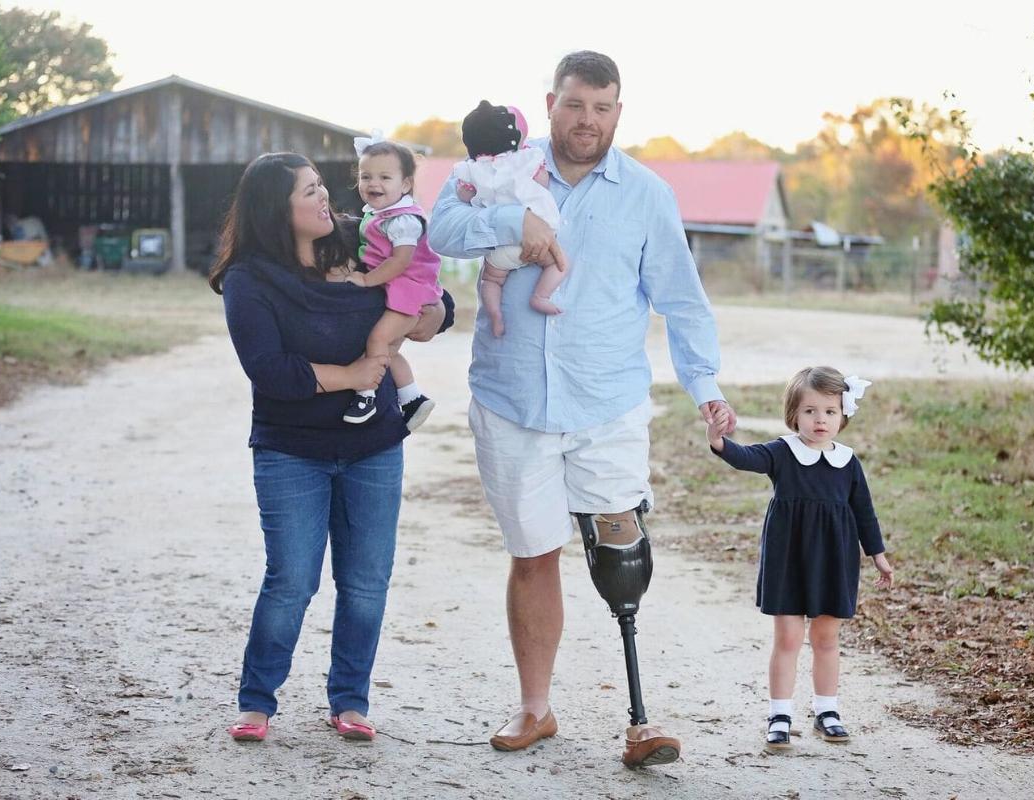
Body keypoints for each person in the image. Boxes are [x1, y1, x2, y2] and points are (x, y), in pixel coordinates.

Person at [429, 50, 736, 768]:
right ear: (550, 104)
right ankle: (535, 707)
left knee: (620, 545)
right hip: (512, 400)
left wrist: (708, 389)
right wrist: (511, 218)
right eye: (574, 105)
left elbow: (682, 301)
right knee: (534, 555)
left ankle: (642, 718)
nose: (586, 121)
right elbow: (441, 228)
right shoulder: (495, 163)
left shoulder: (647, 193)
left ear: (618, 112)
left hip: (607, 402)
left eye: (601, 108)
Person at [208, 152, 452, 744]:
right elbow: (272, 372)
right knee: (292, 580)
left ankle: (350, 702)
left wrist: (432, 314)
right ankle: (257, 703)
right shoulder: (249, 280)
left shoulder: (364, 237)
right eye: (309, 193)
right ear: (276, 210)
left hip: (374, 446)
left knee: (366, 581)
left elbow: (432, 297)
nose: (326, 200)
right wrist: (356, 372)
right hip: (291, 449)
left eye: (322, 187)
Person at [705, 366, 895, 751]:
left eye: (829, 411)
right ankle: (780, 714)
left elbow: (864, 511)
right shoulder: (782, 452)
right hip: (788, 557)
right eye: (810, 411)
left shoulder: (848, 462)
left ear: (843, 415)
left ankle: (827, 710)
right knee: (789, 637)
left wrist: (877, 554)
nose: (820, 419)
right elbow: (744, 457)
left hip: (833, 559)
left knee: (826, 637)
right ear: (794, 415)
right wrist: (719, 440)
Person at [338, 136, 442, 431]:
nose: (374, 183)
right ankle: (412, 398)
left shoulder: (403, 220)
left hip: (409, 288)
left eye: (385, 177)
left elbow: (401, 260)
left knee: (377, 341)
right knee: (389, 350)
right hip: (401, 287)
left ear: (406, 184)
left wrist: (367, 279)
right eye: (366, 176)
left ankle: (366, 395)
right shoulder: (378, 214)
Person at [453, 99, 564, 337]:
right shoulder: (526, 158)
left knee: (490, 281)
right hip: (538, 240)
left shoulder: (471, 167)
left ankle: (495, 315)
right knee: (559, 264)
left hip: (500, 246)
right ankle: (540, 296)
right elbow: (543, 181)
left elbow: (464, 194)